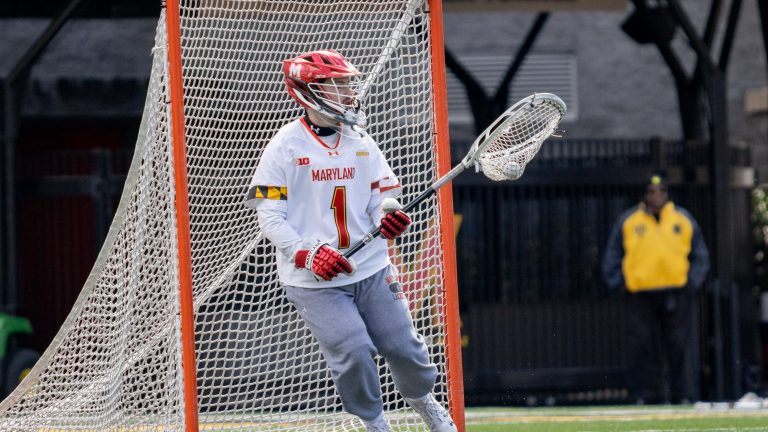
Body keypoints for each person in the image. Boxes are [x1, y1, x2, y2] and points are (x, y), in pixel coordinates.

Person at [244, 49, 457, 432]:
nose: (348, 92)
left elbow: (381, 197)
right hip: (315, 283)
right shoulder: (284, 147)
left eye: (348, 84)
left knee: (403, 347)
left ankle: (424, 402)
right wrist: (308, 253)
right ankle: (375, 422)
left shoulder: (361, 140)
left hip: (372, 268)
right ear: (309, 91)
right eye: (338, 85)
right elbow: (270, 217)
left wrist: (387, 217)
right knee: (355, 350)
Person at [602, 173, 710, 404]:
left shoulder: (682, 219)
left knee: (678, 345)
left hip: (676, 293)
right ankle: (639, 396)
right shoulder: (629, 221)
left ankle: (681, 395)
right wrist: (620, 285)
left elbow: (701, 256)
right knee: (639, 346)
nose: (656, 195)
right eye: (651, 191)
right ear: (645, 194)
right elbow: (612, 256)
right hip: (640, 295)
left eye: (661, 191)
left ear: (668, 193)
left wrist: (691, 283)